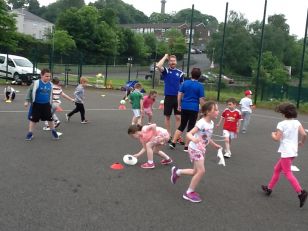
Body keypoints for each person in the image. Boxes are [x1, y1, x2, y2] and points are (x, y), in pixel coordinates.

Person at [170, 101, 222, 203]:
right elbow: (189, 133)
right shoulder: (201, 123)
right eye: (215, 110)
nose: (218, 112)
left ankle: (177, 172)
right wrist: (193, 139)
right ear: (207, 112)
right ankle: (189, 192)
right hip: (195, 149)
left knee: (195, 171)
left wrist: (215, 145)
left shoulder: (211, 123)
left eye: (217, 109)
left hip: (201, 149)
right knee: (201, 171)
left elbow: (207, 137)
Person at [261, 102, 308, 208]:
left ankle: (301, 192)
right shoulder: (297, 122)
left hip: (286, 152)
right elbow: (304, 134)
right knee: (277, 169)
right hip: (293, 151)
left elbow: (277, 138)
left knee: (287, 173)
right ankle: (269, 188)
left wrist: (272, 134)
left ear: (283, 113)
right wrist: (302, 142)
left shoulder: (281, 124)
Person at [169, 67, 206, 152]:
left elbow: (179, 94)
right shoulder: (200, 86)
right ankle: (186, 146)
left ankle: (173, 142)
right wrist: (203, 110)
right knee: (191, 127)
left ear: (191, 74)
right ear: (199, 76)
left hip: (185, 106)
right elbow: (201, 99)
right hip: (194, 108)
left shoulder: (185, 83)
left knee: (182, 125)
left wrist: (179, 104)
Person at [156, 54, 184, 144]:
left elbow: (182, 87)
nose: (172, 62)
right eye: (171, 61)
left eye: (174, 61)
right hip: (168, 97)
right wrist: (164, 56)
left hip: (177, 98)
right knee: (167, 117)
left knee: (178, 117)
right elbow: (158, 66)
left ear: (176, 62)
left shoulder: (180, 73)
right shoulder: (166, 71)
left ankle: (178, 136)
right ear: (169, 62)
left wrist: (182, 98)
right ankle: (168, 135)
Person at [24, 68, 59, 141]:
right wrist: (27, 101)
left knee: (50, 119)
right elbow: (29, 91)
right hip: (36, 105)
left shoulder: (50, 84)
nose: (48, 78)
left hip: (46, 105)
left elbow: (50, 94)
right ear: (41, 75)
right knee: (33, 120)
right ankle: (30, 133)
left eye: (49, 76)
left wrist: (52, 102)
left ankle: (53, 131)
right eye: (46, 76)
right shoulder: (36, 83)